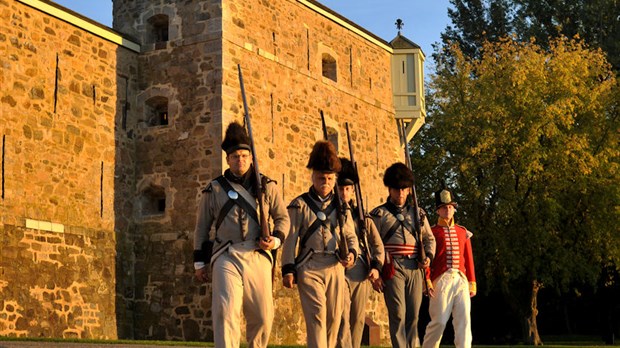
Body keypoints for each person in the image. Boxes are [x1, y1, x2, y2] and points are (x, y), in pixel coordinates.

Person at [193, 122, 290, 348]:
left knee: (263, 317)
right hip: (226, 254)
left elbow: (283, 218)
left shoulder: (266, 185)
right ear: (228, 159)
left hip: (258, 253)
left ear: (251, 158)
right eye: (236, 156)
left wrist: (275, 240)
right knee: (226, 312)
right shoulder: (214, 188)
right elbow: (201, 227)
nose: (241, 160)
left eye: (245, 155)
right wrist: (199, 262)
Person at [281, 140, 359, 348]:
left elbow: (351, 236)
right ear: (313, 177)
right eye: (321, 178)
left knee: (334, 320)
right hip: (309, 265)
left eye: (329, 178)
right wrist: (288, 268)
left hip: (334, 266)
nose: (325, 182)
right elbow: (291, 238)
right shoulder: (299, 204)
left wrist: (352, 253)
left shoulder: (342, 206)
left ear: (334, 180)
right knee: (317, 316)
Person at [370, 162, 436, 348]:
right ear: (390, 189)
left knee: (413, 315)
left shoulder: (419, 214)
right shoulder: (379, 214)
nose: (400, 194)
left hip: (415, 267)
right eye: (397, 189)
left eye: (404, 189)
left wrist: (428, 257)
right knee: (398, 313)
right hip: (393, 266)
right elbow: (370, 244)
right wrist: (376, 269)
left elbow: (429, 239)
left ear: (409, 190)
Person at [336, 158, 384, 348]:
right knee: (340, 316)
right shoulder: (330, 211)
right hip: (337, 267)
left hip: (360, 270)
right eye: (341, 189)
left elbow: (377, 245)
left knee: (357, 318)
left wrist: (376, 267)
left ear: (353, 191)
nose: (344, 192)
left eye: (348, 189)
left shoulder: (363, 217)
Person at [422, 186, 476, 348]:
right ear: (438, 211)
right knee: (438, 321)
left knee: (464, 321)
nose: (448, 210)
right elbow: (426, 260)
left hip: (461, 280)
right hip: (440, 280)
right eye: (444, 207)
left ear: (454, 209)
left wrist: (472, 282)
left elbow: (469, 259)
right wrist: (427, 281)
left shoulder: (462, 232)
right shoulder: (431, 232)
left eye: (450, 207)